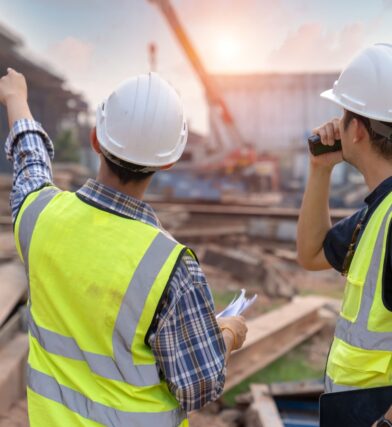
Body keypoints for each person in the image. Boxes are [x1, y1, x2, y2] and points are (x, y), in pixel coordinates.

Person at [0, 69, 248, 427]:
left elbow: (30, 164)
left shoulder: (38, 217)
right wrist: (228, 332)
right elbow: (200, 386)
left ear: (95, 140)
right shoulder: (173, 269)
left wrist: (15, 99)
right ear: (169, 161)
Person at [297, 43, 392, 422]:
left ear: (355, 130)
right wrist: (320, 169)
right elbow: (311, 254)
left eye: (343, 113)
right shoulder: (378, 211)